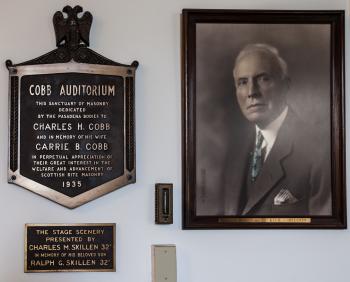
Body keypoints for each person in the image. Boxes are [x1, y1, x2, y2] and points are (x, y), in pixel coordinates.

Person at [222, 43, 332, 216]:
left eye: (263, 78)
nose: (251, 92)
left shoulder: (320, 150)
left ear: (286, 85)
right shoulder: (235, 153)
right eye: (242, 82)